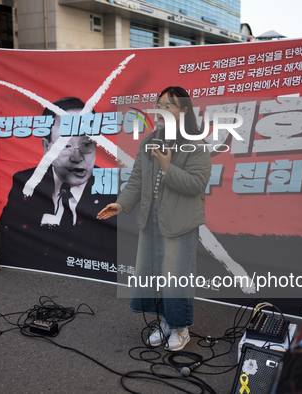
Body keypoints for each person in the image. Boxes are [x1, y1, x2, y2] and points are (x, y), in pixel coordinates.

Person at [97, 86, 212, 352]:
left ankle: (180, 327)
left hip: (180, 221)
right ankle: (163, 321)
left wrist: (167, 167)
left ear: (183, 111)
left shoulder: (196, 144)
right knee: (154, 275)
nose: (161, 111)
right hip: (150, 218)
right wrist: (122, 203)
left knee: (176, 276)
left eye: (168, 106)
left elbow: (196, 184)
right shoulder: (149, 140)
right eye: (159, 105)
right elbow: (137, 178)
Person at [0, 97, 117, 279]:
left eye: (86, 144)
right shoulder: (26, 182)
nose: (77, 157)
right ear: (47, 146)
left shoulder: (113, 186)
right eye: (66, 145)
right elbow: (9, 236)